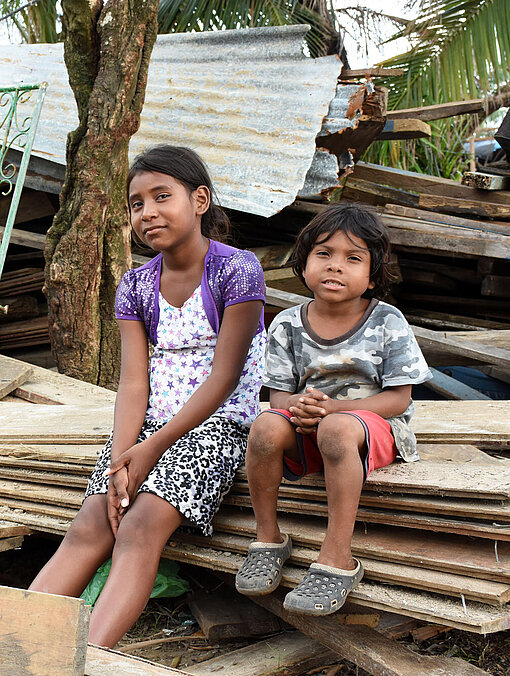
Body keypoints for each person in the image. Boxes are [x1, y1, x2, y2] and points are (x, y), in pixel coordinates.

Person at [30, 145, 266, 647]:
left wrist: (152, 449)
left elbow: (225, 377)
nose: (148, 212)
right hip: (146, 431)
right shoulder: (135, 285)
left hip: (218, 427)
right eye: (137, 203)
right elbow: (134, 382)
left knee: (137, 528)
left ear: (199, 199)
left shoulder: (236, 271)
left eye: (163, 196)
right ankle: (20, 646)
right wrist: (121, 460)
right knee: (91, 522)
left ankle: (87, 658)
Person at [235, 203, 431, 615]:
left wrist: (337, 413)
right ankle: (268, 538)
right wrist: (302, 407)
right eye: (323, 254)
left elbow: (399, 399)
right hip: (314, 427)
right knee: (266, 427)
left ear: (373, 276)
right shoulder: (288, 323)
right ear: (303, 264)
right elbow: (279, 397)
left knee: (338, 429)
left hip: (375, 430)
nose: (335, 267)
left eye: (352, 258)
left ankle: (337, 555)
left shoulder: (387, 320)